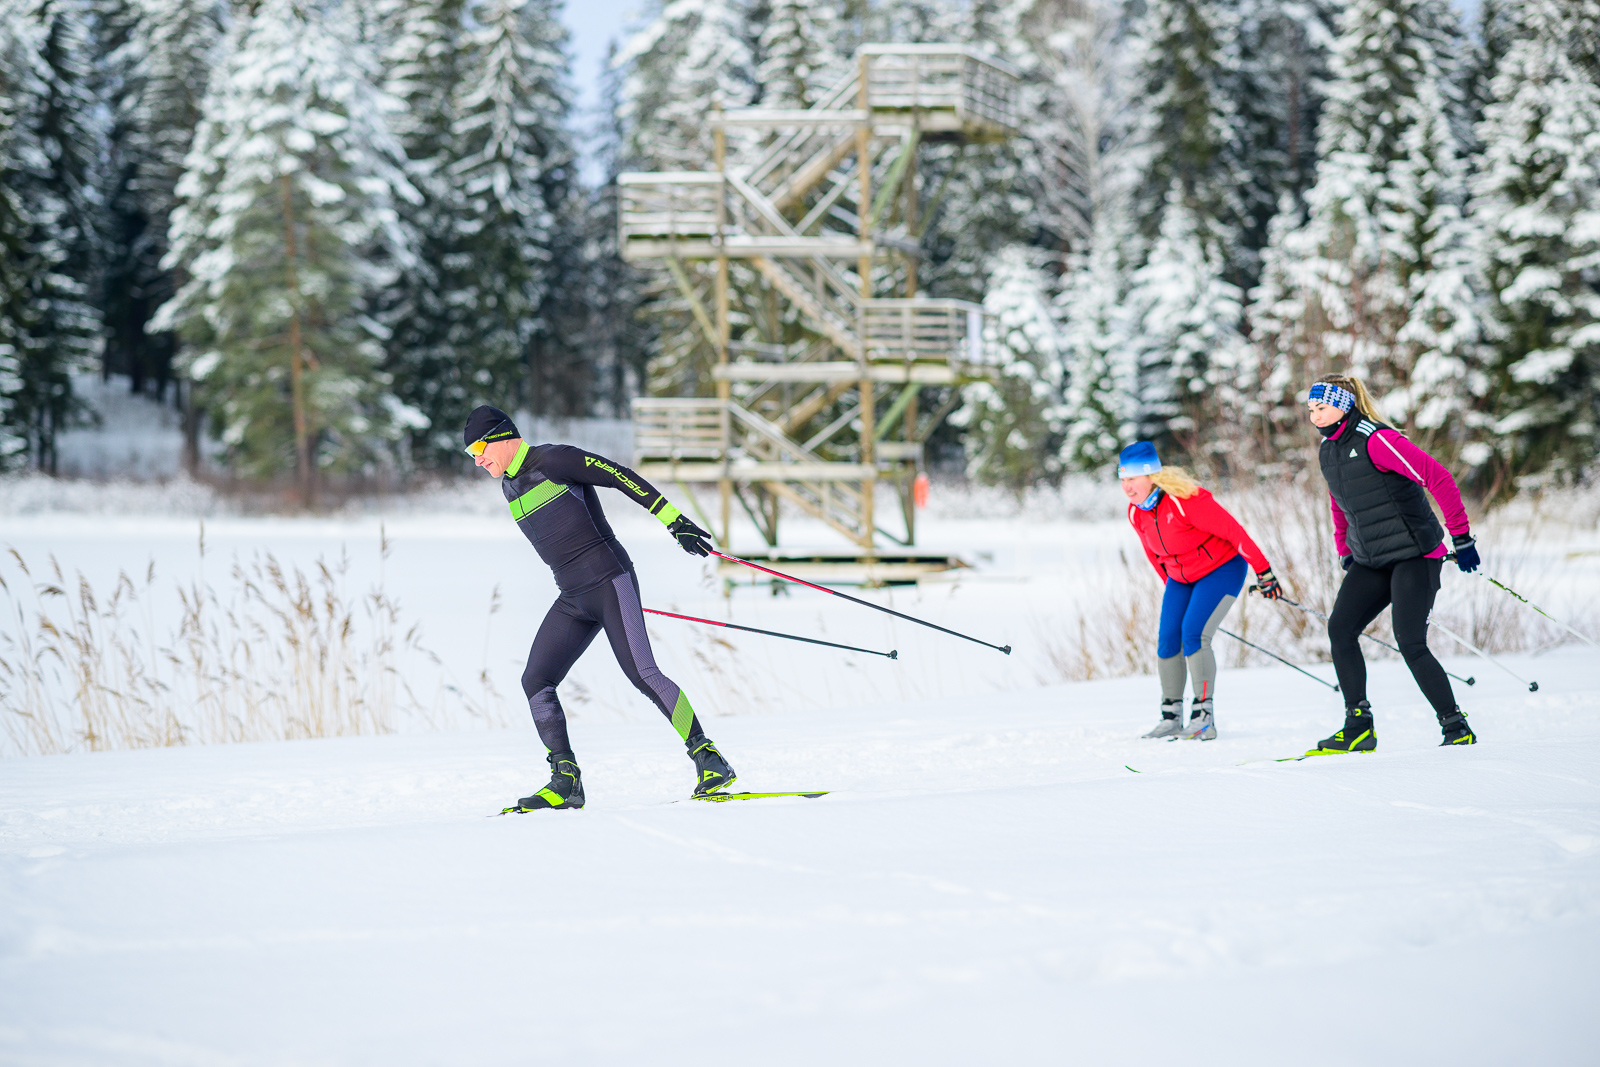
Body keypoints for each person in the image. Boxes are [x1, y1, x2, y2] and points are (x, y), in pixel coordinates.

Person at [463, 405, 735, 809]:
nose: (478, 459)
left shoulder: (555, 459)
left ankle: (709, 759)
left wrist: (673, 519)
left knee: (643, 673)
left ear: (504, 435)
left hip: (610, 582)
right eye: (471, 455)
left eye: (481, 447)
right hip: (572, 597)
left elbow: (619, 475)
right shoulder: (509, 485)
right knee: (536, 681)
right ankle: (565, 781)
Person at [1304, 374, 1479, 753]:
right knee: (1341, 629)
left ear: (1344, 405)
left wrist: (1461, 538)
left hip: (1414, 554)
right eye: (1311, 409)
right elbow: (1339, 502)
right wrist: (1344, 550)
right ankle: (1359, 727)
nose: (1315, 415)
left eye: (1322, 407)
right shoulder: (1328, 449)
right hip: (1370, 557)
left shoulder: (1377, 439)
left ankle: (1455, 726)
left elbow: (1439, 478)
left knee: (1410, 640)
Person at [1120, 441, 1282, 741]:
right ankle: (1171, 717)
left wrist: (1264, 572)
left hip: (1221, 569)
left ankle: (1204, 717)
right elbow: (1156, 557)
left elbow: (1235, 532)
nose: (1127, 486)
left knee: (1194, 633)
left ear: (1151, 476)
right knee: (1169, 637)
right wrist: (1174, 592)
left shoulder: (1184, 500)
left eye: (1132, 478)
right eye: (1123, 479)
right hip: (1181, 578)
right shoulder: (1136, 513)